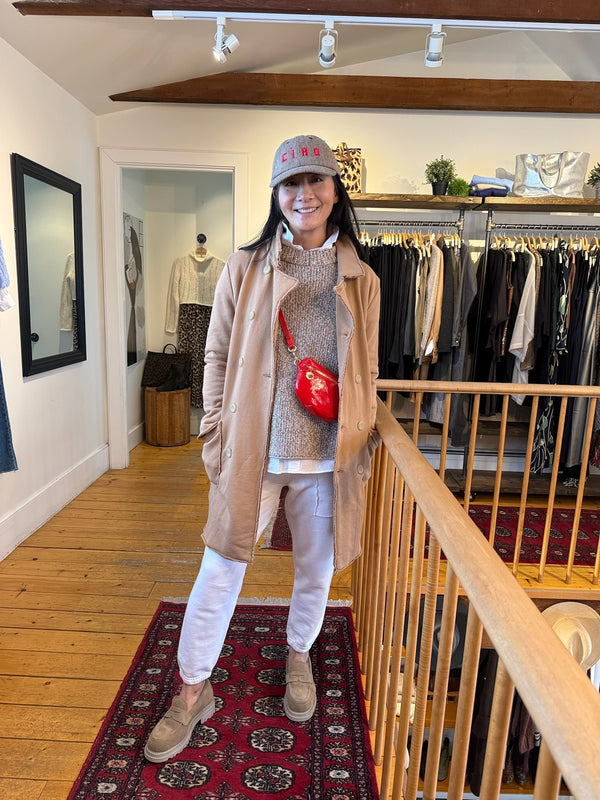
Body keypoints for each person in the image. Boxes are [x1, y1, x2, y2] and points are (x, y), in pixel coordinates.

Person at [144, 134, 380, 763]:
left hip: (326, 457)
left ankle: (298, 654)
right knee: (220, 567)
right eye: (290, 183)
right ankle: (192, 690)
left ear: (335, 190)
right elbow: (216, 354)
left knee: (316, 570)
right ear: (277, 194)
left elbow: (368, 369)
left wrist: (361, 438)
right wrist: (214, 433)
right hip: (254, 453)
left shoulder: (363, 278)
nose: (304, 194)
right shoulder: (244, 268)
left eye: (315, 180)